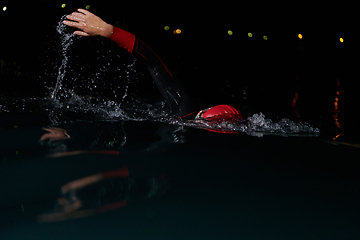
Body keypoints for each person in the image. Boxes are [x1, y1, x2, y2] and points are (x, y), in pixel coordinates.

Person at [63, 9, 243, 126]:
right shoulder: (185, 113)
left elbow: (153, 61)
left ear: (202, 114)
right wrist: (107, 30)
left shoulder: (186, 111)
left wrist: (107, 31)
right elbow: (154, 61)